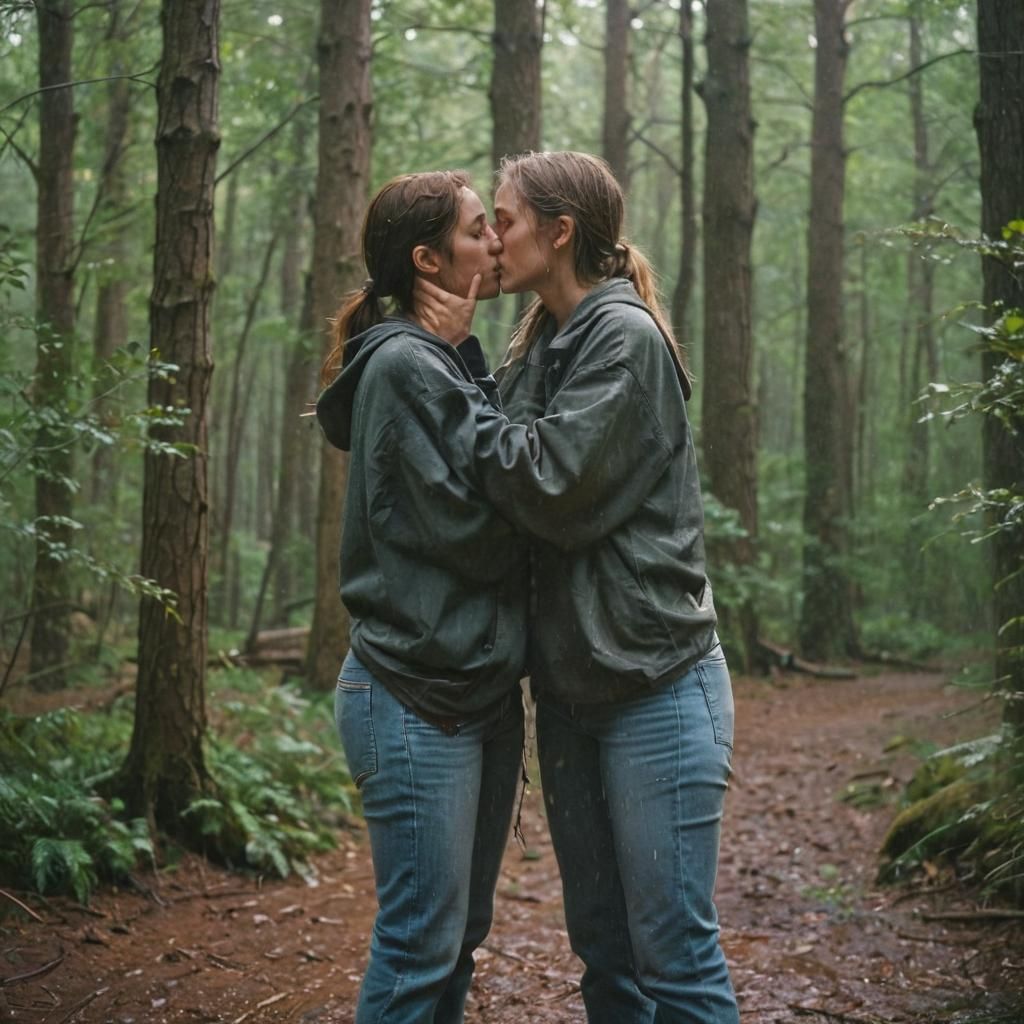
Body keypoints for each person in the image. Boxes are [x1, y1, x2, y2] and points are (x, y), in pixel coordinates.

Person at [415, 150, 740, 1024]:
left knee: (673, 956)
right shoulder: (542, 337)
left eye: (506, 221)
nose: (490, 240)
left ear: (560, 233)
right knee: (606, 954)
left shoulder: (624, 338)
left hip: (656, 686)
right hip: (569, 694)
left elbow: (546, 489)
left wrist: (451, 364)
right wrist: (453, 359)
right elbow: (496, 453)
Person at [315, 171, 529, 1024]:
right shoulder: (405, 362)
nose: (496, 242)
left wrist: (465, 356)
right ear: (428, 259)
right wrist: (557, 524)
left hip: (473, 690)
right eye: (481, 230)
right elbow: (472, 528)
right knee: (420, 942)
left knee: (457, 934)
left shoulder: (431, 359)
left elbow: (468, 462)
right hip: (412, 696)